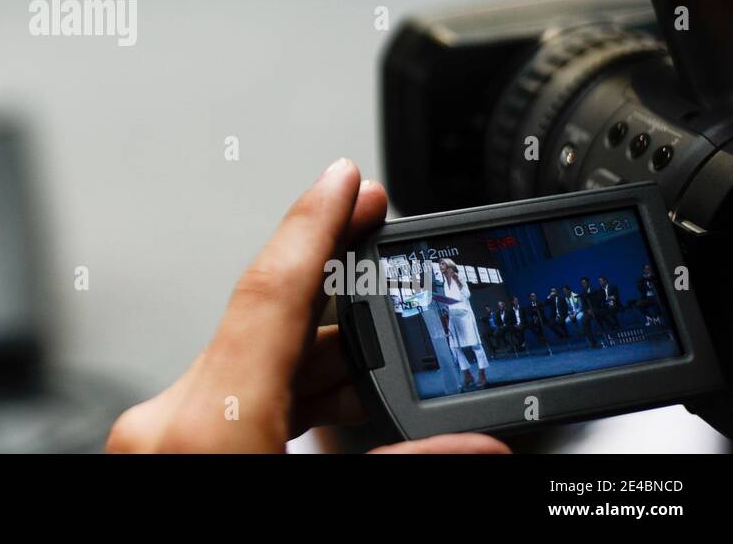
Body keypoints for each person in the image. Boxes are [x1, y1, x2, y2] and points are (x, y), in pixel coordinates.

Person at [105, 159, 509, 453]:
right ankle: (474, 379)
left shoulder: (456, 280)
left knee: (469, 346)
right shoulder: (434, 279)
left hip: (457, 314)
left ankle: (479, 375)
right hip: (441, 319)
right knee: (458, 350)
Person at [432, 258, 490, 391]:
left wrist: (457, 280)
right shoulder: (443, 283)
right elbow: (451, 300)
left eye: (443, 263)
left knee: (475, 346)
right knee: (454, 347)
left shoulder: (460, 277)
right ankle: (467, 374)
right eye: (440, 264)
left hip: (465, 316)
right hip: (453, 316)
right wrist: (443, 304)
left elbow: (466, 295)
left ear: (449, 265)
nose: (440, 266)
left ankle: (482, 374)